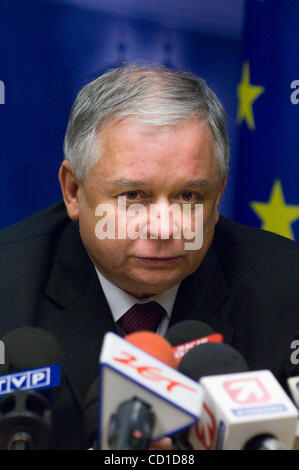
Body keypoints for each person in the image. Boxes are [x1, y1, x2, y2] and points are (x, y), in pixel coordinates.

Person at [0, 64, 298, 449]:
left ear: (219, 195)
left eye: (188, 197)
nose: (163, 228)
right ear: (73, 191)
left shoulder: (288, 290)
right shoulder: (8, 287)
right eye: (133, 197)